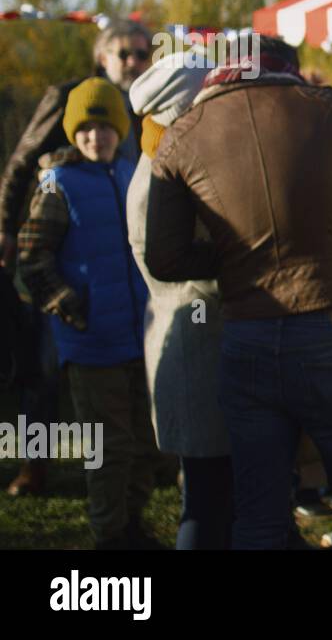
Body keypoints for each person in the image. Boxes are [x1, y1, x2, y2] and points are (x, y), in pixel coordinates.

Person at [143, 34, 332, 549]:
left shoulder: (182, 136)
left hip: (247, 337)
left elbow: (165, 257)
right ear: (289, 68)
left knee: (259, 518)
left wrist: (236, 256)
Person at [2, 18, 152, 496]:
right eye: (123, 53)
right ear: (101, 58)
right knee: (43, 365)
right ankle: (34, 462)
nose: (133, 62)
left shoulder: (146, 102)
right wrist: (6, 228)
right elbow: (22, 161)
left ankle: (134, 472)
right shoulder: (70, 95)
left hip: (120, 265)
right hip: (59, 249)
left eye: (141, 53)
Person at [17, 78, 161, 549]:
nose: (95, 136)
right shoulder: (58, 185)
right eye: (85, 128)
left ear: (121, 130)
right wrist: (71, 309)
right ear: (73, 134)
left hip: (140, 336)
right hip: (91, 342)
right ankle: (109, 534)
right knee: (109, 447)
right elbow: (33, 259)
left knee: (144, 443)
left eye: (104, 127)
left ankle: (134, 524)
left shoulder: (133, 174)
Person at [125, 50, 234, 550]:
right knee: (205, 498)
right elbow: (172, 263)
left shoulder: (163, 162)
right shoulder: (160, 176)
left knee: (211, 491)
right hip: (192, 346)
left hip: (197, 343)